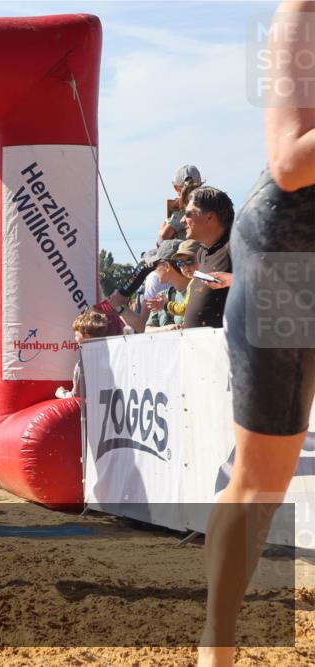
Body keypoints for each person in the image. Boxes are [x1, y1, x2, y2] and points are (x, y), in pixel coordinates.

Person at [199, 3, 315, 666]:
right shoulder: (302, 12)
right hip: (286, 262)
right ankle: (217, 648)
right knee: (260, 483)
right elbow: (292, 161)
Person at [180, 185, 235, 328]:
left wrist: (233, 280)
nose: (182, 220)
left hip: (227, 347)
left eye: (188, 214)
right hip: (198, 347)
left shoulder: (237, 245)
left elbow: (271, 281)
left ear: (209, 217)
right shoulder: (201, 252)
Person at [56, 309, 109, 399]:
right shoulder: (109, 357)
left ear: (86, 337)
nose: (75, 339)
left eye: (77, 335)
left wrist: (61, 393)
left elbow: (78, 396)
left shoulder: (83, 364)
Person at [158, 164, 204, 242]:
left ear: (176, 188)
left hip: (185, 251)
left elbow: (164, 235)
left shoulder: (183, 209)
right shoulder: (208, 203)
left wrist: (167, 220)